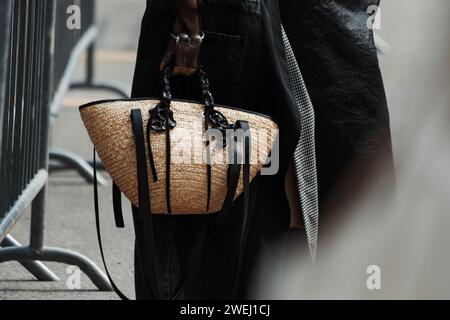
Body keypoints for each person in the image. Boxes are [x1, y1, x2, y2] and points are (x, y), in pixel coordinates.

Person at [130, 0, 394, 300]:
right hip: (290, 29)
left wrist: (189, 13)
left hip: (243, 26)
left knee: (229, 216)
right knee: (276, 205)